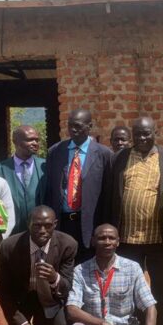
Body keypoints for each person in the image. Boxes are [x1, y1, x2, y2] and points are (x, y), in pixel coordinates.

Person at [102, 116, 163, 325]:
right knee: (128, 289)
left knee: (161, 290)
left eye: (147, 133)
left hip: (159, 238)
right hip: (127, 239)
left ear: (155, 132)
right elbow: (110, 195)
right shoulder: (119, 158)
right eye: (138, 134)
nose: (142, 138)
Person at [0, 205, 77, 325]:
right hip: (21, 298)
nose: (42, 231)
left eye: (47, 226)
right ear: (28, 224)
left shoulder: (67, 244)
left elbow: (66, 288)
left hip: (51, 297)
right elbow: (2, 291)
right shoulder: (9, 246)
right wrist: (23, 324)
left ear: (55, 224)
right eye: (37, 225)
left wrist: (54, 278)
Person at [66, 224, 157, 325]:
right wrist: (103, 324)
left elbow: (150, 307)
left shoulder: (132, 268)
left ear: (118, 242)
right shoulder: (80, 270)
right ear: (93, 241)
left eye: (111, 238)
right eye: (102, 238)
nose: (107, 242)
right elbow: (71, 310)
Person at [44, 108, 112, 263]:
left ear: (90, 126)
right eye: (70, 125)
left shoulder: (103, 154)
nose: (73, 130)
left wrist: (103, 228)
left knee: (88, 268)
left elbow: (108, 194)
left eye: (78, 126)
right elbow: (50, 190)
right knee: (62, 266)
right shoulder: (55, 151)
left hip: (89, 223)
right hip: (62, 222)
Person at [0, 125, 47, 236]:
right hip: (9, 234)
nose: (35, 143)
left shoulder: (46, 167)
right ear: (15, 141)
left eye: (37, 140)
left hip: (40, 233)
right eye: (29, 140)